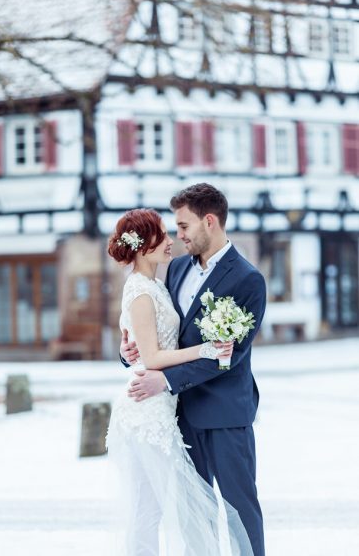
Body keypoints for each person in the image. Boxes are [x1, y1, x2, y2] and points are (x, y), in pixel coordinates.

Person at [121, 183, 267, 556]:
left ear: (210, 221)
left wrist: (165, 381)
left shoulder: (248, 280)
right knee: (191, 514)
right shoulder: (177, 269)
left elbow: (227, 355)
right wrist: (129, 352)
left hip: (225, 415)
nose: (178, 236)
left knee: (239, 509)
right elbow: (160, 335)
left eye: (184, 227)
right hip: (179, 417)